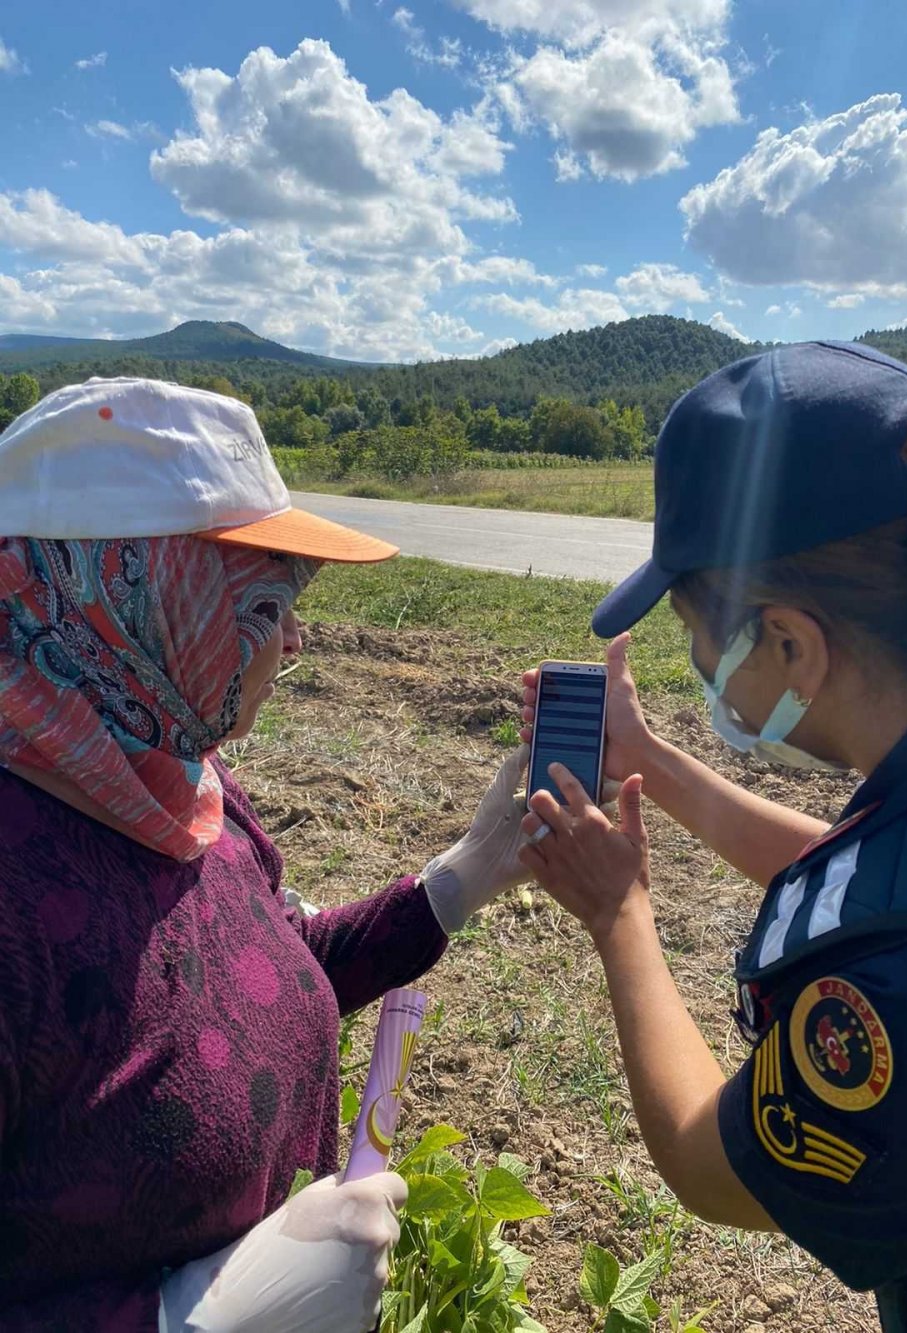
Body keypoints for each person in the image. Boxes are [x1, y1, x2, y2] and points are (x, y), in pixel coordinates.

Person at [0, 377, 533, 1332]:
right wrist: (193, 1319)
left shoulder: (173, 775)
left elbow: (270, 966)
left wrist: (474, 865)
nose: (295, 636)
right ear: (137, 593)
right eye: (262, 600)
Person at [519, 342, 907, 1331]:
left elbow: (710, 1162)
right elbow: (881, 879)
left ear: (788, 644)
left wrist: (619, 913)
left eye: (698, 633)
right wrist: (651, 757)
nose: (698, 662)